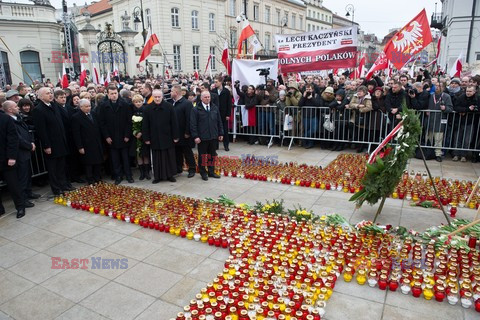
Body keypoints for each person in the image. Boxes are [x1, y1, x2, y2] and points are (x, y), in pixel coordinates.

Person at [32, 87, 71, 195]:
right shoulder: (38, 110)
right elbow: (41, 130)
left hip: (61, 141)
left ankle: (63, 185)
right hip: (51, 144)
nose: (50, 95)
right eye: (48, 93)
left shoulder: (54, 105)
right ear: (40, 96)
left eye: (51, 93)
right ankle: (56, 188)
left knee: (61, 166)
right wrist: (46, 145)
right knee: (53, 168)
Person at [2, 100, 37, 209]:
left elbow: (26, 131)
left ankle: (29, 192)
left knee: (27, 175)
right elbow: (17, 138)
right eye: (15, 106)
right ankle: (23, 199)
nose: (18, 107)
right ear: (9, 109)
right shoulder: (9, 121)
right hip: (19, 153)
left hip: (25, 151)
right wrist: (29, 146)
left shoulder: (18, 118)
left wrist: (31, 141)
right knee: (21, 178)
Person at [97, 85, 134, 184]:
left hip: (123, 137)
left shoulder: (124, 104)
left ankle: (129, 175)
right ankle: (118, 176)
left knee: (125, 158)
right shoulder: (104, 106)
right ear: (108, 95)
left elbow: (129, 122)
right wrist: (107, 137)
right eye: (111, 94)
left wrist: (127, 135)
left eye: (115, 93)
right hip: (112, 137)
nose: (114, 95)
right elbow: (102, 123)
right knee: (115, 159)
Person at [142, 89, 179, 183]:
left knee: (169, 156)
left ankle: (170, 175)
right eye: (155, 97)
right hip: (155, 137)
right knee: (156, 158)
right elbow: (145, 125)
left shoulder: (169, 107)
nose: (157, 99)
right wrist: (146, 138)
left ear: (162, 97)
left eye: (159, 97)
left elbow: (174, 122)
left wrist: (176, 136)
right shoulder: (147, 108)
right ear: (152, 97)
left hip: (168, 136)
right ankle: (157, 176)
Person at [190, 91, 223, 181]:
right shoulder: (196, 109)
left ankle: (211, 172)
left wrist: (220, 133)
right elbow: (193, 124)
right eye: (205, 97)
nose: (207, 99)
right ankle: (203, 172)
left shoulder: (214, 108)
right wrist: (195, 136)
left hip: (213, 136)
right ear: (201, 98)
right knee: (203, 156)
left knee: (212, 155)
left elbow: (219, 121)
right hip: (202, 137)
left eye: (208, 97)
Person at [0, 102, 24, 218]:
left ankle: (20, 207)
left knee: (13, 185)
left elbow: (12, 139)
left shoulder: (5, 119)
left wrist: (12, 157)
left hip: (6, 159)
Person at [71, 99, 104, 184]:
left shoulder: (93, 114)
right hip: (86, 144)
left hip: (96, 142)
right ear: (81, 107)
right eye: (86, 106)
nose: (88, 108)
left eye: (89, 106)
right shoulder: (76, 117)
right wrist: (80, 147)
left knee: (98, 161)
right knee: (88, 163)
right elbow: (76, 134)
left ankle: (97, 177)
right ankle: (90, 179)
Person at [171, 85, 196, 178]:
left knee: (187, 152)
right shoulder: (172, 103)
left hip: (184, 133)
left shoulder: (187, 103)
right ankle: (179, 168)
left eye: (172, 91)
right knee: (177, 152)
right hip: (176, 133)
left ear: (176, 92)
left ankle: (192, 168)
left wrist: (187, 132)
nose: (170, 93)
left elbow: (189, 119)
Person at [426, 82, 453, 162]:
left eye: (439, 86)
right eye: (436, 86)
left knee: (438, 139)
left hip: (440, 121)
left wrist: (445, 108)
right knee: (429, 138)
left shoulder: (446, 96)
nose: (437, 87)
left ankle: (438, 154)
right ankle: (429, 153)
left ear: (443, 88)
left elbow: (450, 108)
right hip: (430, 120)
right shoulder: (431, 96)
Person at [451, 85, 479, 162]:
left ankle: (464, 155)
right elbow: (456, 107)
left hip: (470, 122)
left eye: (470, 91)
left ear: (474, 92)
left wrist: (469, 110)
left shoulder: (477, 98)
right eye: (467, 91)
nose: (468, 93)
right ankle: (456, 154)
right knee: (457, 138)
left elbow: (477, 109)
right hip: (460, 122)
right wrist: (466, 109)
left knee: (467, 140)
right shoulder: (461, 97)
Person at [131, 94, 151, 180]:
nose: (138, 103)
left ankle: (147, 172)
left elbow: (148, 123)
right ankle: (141, 173)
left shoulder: (146, 110)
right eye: (136, 102)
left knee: (145, 154)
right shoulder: (131, 111)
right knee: (139, 155)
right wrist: (135, 132)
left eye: (140, 102)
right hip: (135, 136)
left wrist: (142, 133)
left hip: (144, 136)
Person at [299, 83, 321, 149]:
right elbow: (300, 104)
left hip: (313, 115)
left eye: (309, 89)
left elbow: (318, 104)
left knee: (314, 129)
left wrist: (311, 98)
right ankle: (309, 143)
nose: (308, 90)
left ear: (313, 89)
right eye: (307, 89)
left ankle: (304, 137)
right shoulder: (304, 95)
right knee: (307, 129)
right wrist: (303, 97)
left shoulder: (316, 95)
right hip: (305, 116)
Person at [214, 76, 232, 151]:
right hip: (215, 113)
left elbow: (229, 104)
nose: (215, 83)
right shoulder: (213, 91)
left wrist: (228, 114)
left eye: (216, 82)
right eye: (214, 82)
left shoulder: (226, 91)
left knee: (224, 130)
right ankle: (216, 145)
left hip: (224, 114)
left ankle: (226, 145)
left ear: (221, 82)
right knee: (215, 129)